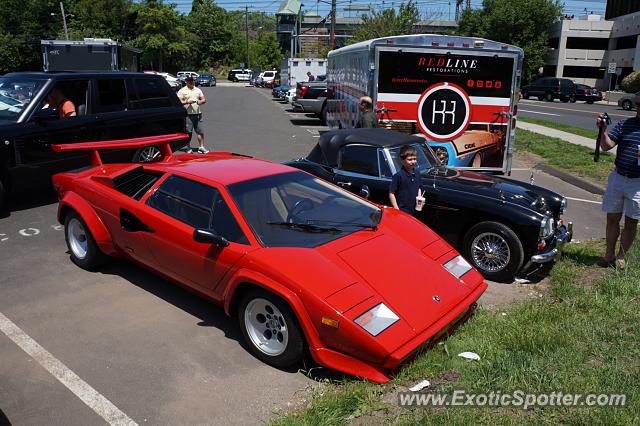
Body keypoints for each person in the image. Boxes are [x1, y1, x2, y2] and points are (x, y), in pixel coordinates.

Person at [596, 95, 640, 269]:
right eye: (638, 103)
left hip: (638, 183)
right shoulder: (625, 124)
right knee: (612, 218)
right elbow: (606, 146)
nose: (639, 107)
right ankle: (609, 255)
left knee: (631, 221)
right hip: (619, 177)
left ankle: (621, 257)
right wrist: (603, 130)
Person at [178, 76, 208, 153]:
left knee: (200, 131)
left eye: (192, 81)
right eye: (189, 81)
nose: (191, 82)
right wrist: (187, 102)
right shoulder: (182, 91)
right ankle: (188, 147)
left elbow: (203, 99)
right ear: (186, 82)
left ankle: (201, 147)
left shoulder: (198, 90)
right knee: (188, 132)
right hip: (188, 115)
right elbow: (179, 102)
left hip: (198, 114)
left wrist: (200, 102)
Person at [389, 145, 421, 216]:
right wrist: (397, 209)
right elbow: (391, 193)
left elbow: (419, 187)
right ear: (402, 160)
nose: (413, 161)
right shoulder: (398, 176)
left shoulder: (417, 173)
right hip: (403, 210)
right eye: (410, 159)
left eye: (414, 159)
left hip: (415, 209)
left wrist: (419, 198)